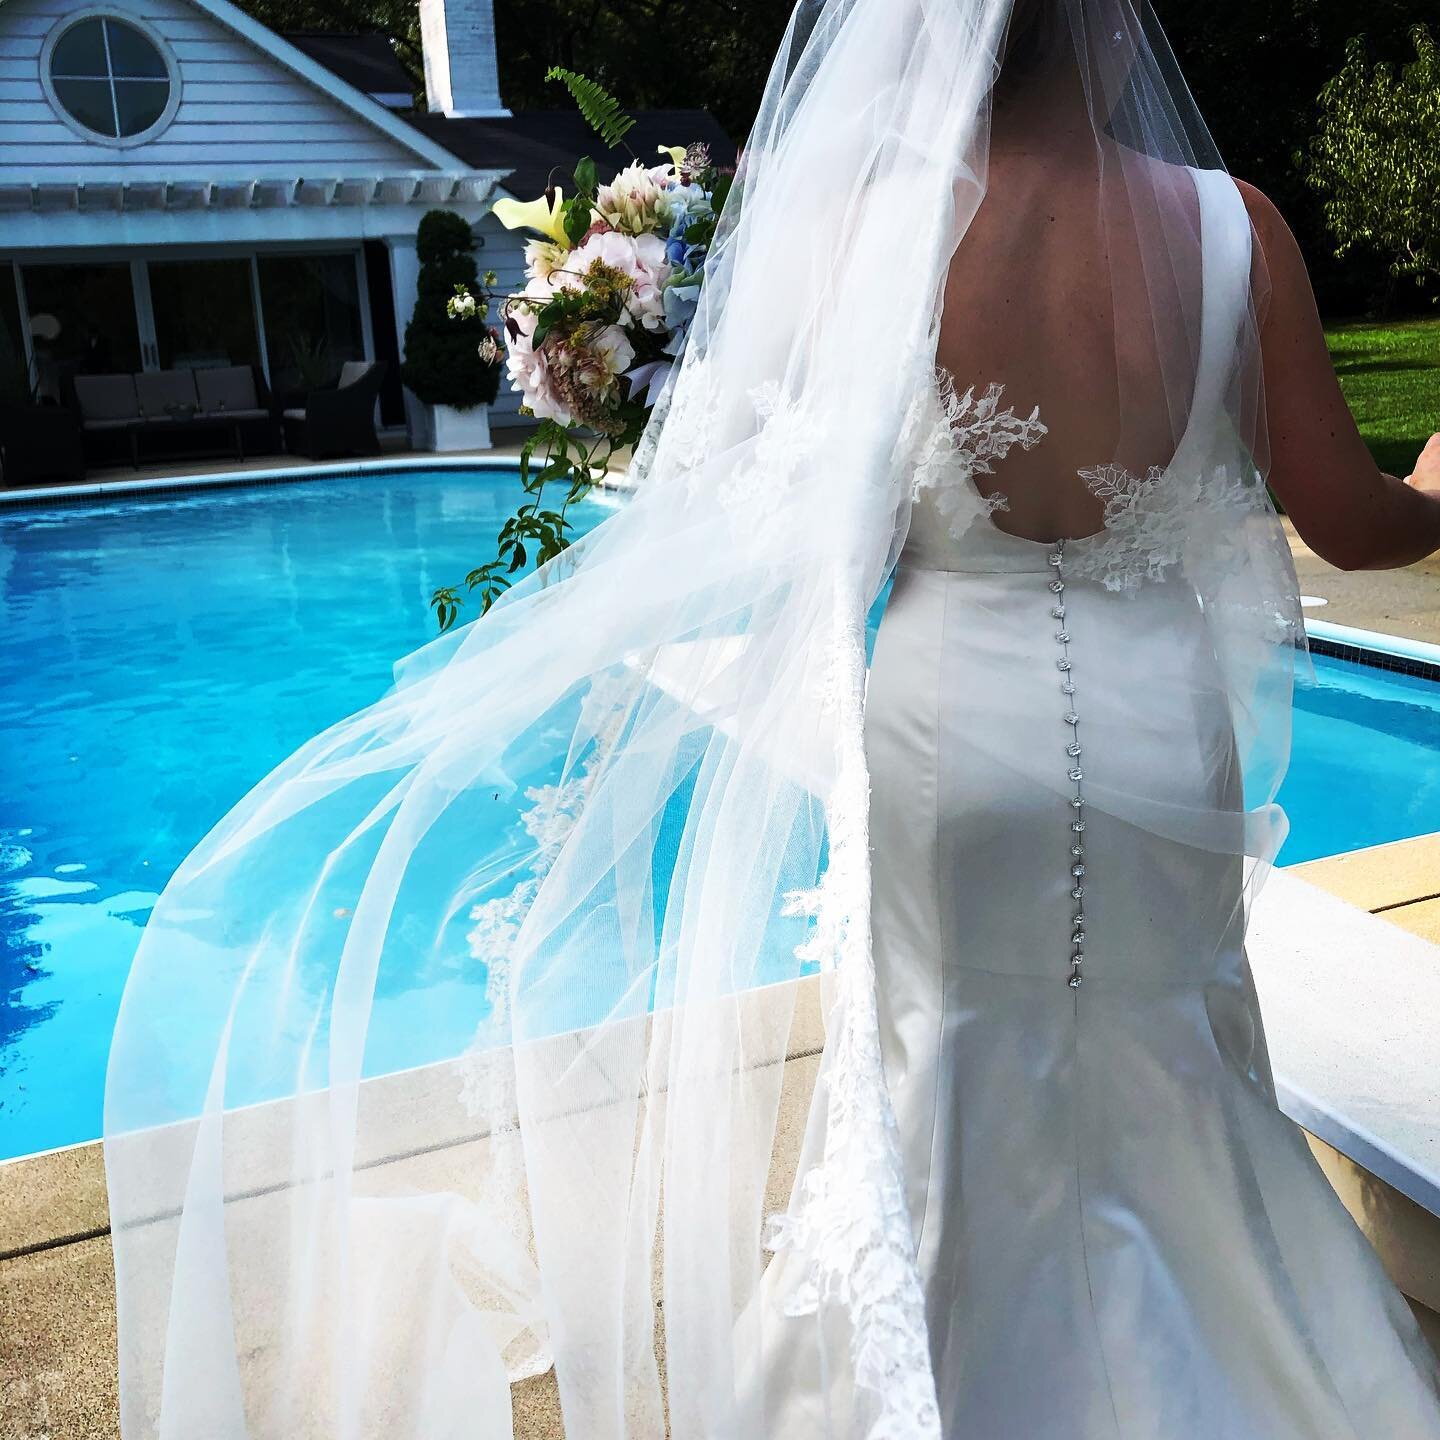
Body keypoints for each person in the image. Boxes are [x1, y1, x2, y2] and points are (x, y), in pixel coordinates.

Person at [105, 1, 1440, 1436]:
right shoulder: (1237, 226)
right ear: (1115, 25)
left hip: (950, 734)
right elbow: (1352, 527)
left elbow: (804, 538)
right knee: (1171, 1047)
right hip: (1159, 736)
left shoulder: (865, 234)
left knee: (952, 1069)